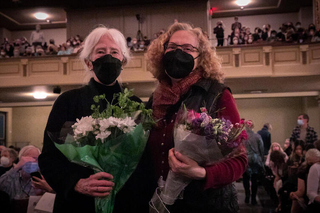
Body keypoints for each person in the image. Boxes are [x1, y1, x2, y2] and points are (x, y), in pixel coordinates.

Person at [132, 22, 247, 213]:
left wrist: (202, 173)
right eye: (173, 47)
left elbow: (240, 161)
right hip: (161, 203)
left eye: (188, 49)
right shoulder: (155, 99)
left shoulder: (217, 94)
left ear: (200, 57)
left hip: (206, 205)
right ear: (162, 52)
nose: (179, 53)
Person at [38, 26, 134, 213]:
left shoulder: (134, 105)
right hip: (76, 204)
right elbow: (49, 159)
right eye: (100, 51)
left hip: (123, 203)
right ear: (89, 62)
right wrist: (76, 183)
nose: (108, 56)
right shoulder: (68, 101)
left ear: (123, 60)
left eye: (114, 52)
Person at [242, 121, 264, 205]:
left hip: (245, 159)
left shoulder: (242, 137)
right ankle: (254, 198)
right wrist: (261, 160)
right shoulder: (257, 136)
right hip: (255, 159)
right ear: (253, 127)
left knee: (245, 178)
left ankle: (247, 196)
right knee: (254, 179)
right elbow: (261, 149)